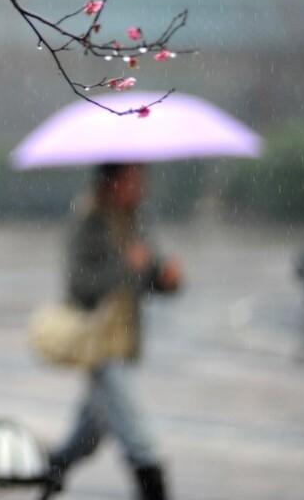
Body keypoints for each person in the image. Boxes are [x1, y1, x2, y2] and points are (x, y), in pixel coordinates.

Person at [47, 163, 184, 500]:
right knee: (128, 419)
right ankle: (151, 480)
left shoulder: (137, 219)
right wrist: (126, 265)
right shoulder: (89, 221)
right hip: (97, 339)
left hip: (125, 336)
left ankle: (51, 467)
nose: (139, 186)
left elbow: (147, 276)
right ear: (111, 182)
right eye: (132, 179)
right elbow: (80, 285)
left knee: (94, 425)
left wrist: (165, 277)